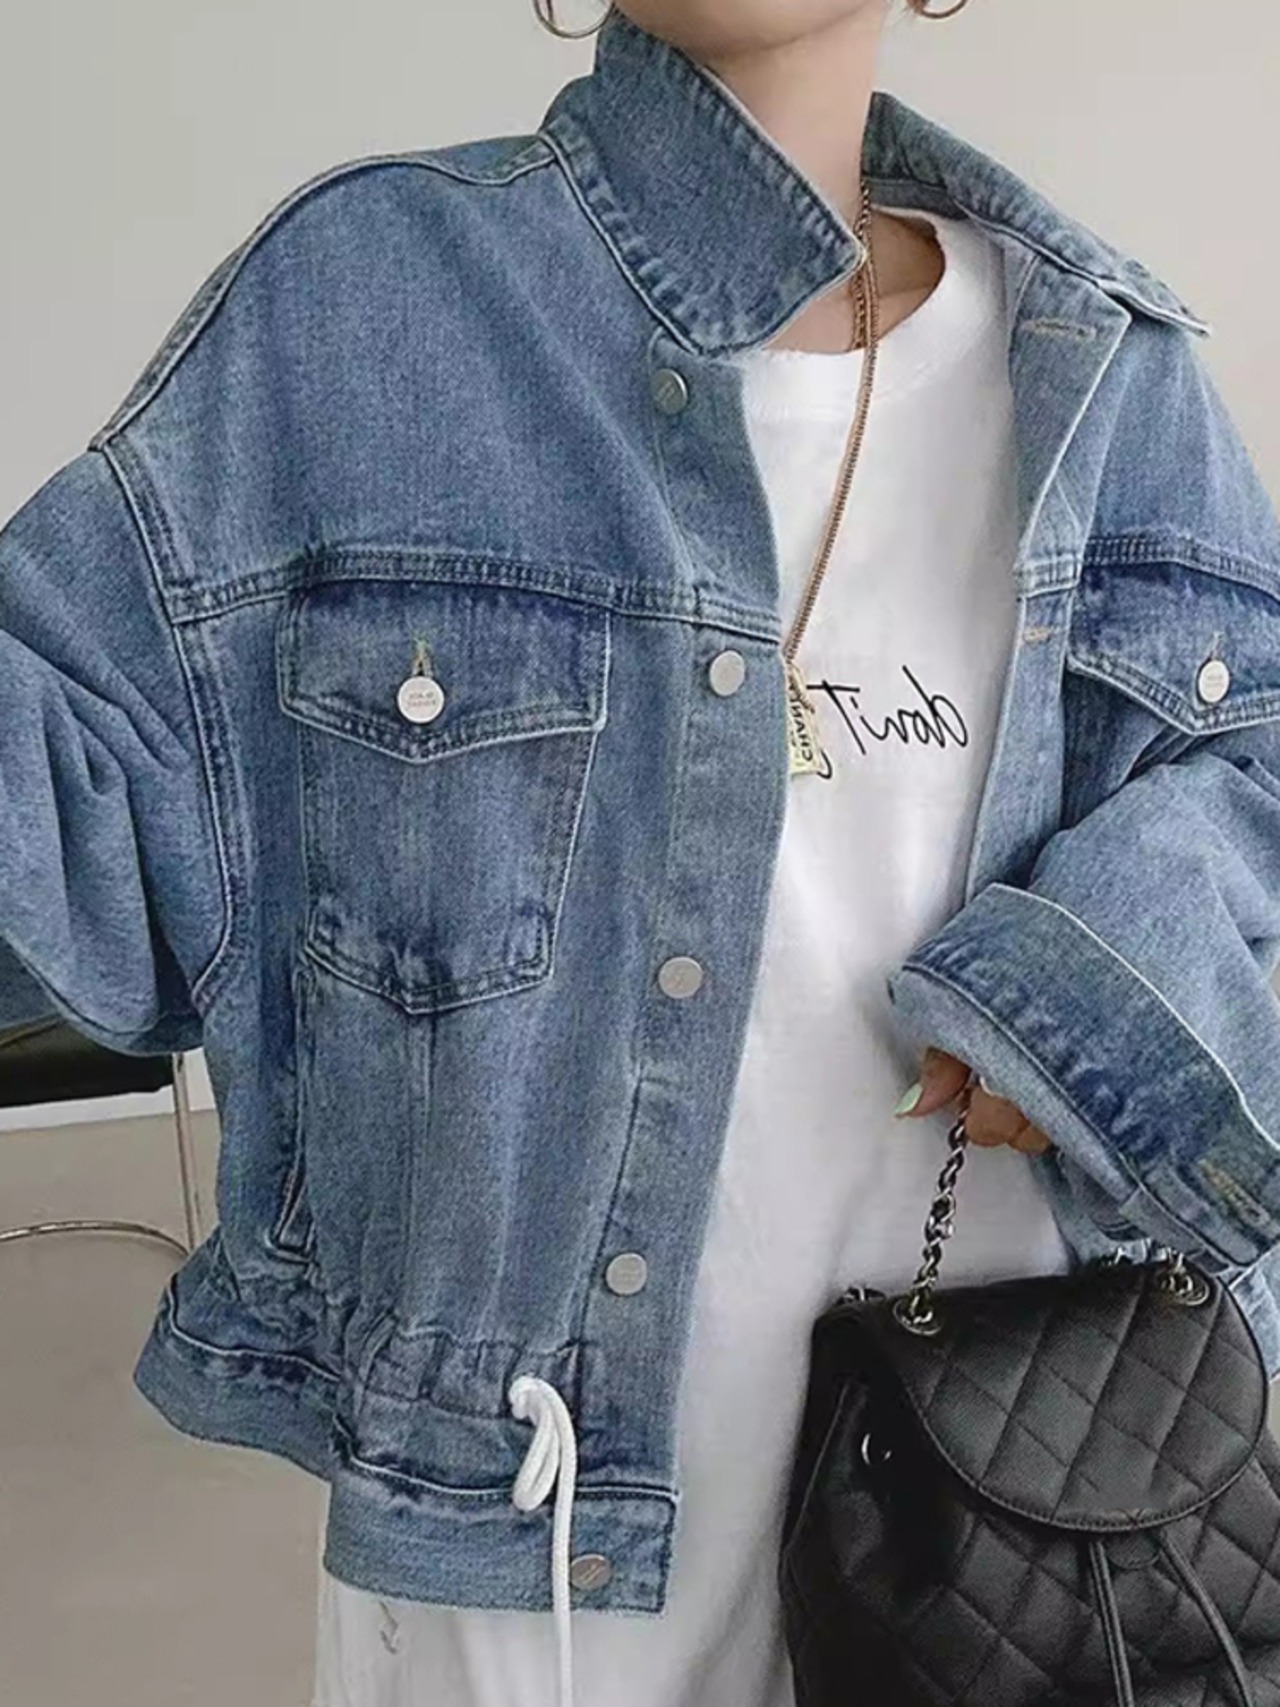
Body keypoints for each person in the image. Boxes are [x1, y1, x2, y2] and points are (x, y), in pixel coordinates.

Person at [4, 4, 1280, 1707]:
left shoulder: (1113, 374)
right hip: (534, 1573)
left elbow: (1254, 778)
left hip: (1035, 1541)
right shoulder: (371, 310)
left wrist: (1102, 988)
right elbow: (73, 796)